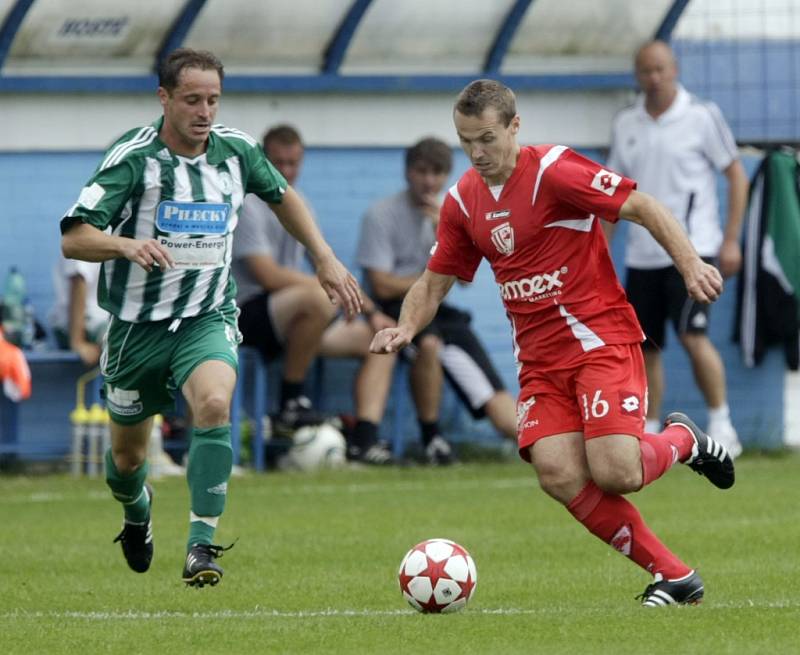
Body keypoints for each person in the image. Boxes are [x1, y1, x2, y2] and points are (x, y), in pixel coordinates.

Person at [371, 79, 736, 606]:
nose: (476, 153)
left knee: (616, 471)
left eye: (487, 139)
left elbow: (645, 207)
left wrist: (690, 264)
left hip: (598, 340)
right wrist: (407, 326)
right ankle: (674, 575)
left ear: (514, 127)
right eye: (465, 140)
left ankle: (685, 442)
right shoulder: (462, 201)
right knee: (558, 471)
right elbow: (434, 281)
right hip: (540, 362)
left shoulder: (555, 170)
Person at [59, 48, 361, 588]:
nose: (205, 111)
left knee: (216, 403)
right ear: (165, 98)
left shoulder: (237, 152)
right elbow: (74, 238)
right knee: (127, 463)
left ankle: (202, 545)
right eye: (193, 99)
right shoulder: (134, 158)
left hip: (206, 316)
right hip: (137, 329)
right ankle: (137, 511)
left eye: (213, 99)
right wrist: (126, 245)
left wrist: (324, 256)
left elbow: (282, 197)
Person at [606, 40, 748, 458]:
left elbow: (736, 175)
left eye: (660, 70)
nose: (653, 79)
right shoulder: (626, 123)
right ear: (637, 74)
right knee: (644, 344)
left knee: (692, 334)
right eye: (646, 71)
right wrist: (601, 251)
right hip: (641, 256)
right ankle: (649, 427)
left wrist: (730, 239)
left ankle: (722, 423)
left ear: (674, 70)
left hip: (693, 251)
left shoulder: (702, 116)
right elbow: (612, 194)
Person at [232, 124, 395, 464]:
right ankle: (291, 402)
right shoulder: (248, 202)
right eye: (278, 163)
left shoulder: (298, 202)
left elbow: (327, 262)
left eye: (293, 163)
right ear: (262, 160)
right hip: (248, 314)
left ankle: (363, 442)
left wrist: (369, 309)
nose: (287, 171)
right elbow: (268, 275)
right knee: (318, 298)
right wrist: (328, 291)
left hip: (299, 320)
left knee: (382, 337)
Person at [357, 137, 518, 465]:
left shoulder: (452, 212)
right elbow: (382, 285)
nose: (429, 180)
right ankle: (432, 440)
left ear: (447, 175)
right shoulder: (381, 214)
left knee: (504, 415)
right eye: (422, 171)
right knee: (428, 343)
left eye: (437, 173)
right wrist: (428, 281)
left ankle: (546, 440)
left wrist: (442, 231)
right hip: (395, 310)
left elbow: (462, 280)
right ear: (407, 172)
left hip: (439, 310)